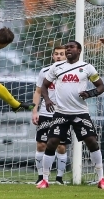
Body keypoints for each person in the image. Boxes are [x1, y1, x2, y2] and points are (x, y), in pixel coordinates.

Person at [37, 40, 104, 190]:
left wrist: (90, 93)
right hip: (61, 112)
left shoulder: (87, 68)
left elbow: (101, 86)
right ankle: (44, 180)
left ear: (79, 50)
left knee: (92, 142)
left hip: (80, 113)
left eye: (71, 47)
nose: (68, 49)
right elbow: (43, 86)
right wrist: (48, 99)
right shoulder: (56, 67)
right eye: (66, 47)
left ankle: (101, 179)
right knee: (51, 143)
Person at [32, 45, 70, 185]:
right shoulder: (45, 72)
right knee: (42, 144)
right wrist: (35, 111)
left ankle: (59, 178)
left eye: (61, 54)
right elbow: (37, 92)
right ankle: (41, 176)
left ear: (66, 56)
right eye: (56, 54)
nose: (59, 56)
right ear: (52, 56)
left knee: (61, 146)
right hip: (45, 113)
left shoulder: (70, 72)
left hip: (63, 113)